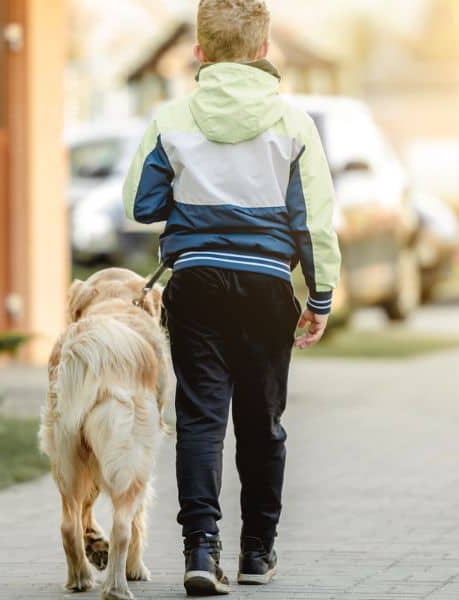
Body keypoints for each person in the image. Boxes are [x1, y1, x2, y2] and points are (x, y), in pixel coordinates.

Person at [123, 0, 341, 594]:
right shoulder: (295, 125)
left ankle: (199, 549)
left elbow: (140, 206)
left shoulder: (170, 120)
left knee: (200, 420)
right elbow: (314, 224)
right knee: (262, 422)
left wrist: (196, 202)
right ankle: (257, 552)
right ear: (265, 51)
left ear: (198, 52)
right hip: (268, 288)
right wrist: (320, 297)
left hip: (195, 285)